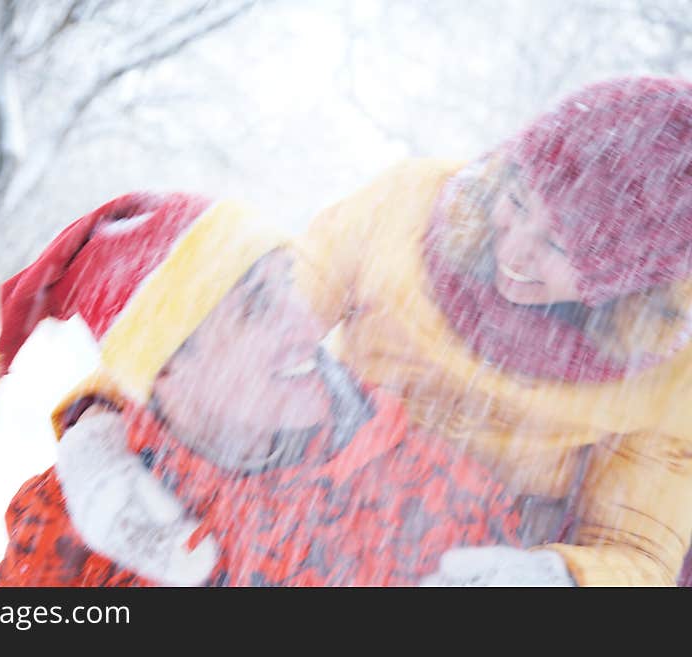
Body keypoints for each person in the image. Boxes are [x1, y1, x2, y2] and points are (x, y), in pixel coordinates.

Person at [0, 193, 527, 586]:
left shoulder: (421, 485)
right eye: (257, 307)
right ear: (165, 369)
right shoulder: (65, 524)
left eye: (289, 287)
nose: (307, 326)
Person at [289, 76, 692, 586]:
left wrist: (558, 577)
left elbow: (639, 551)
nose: (516, 251)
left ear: (630, 282)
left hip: (479, 559)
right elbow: (264, 315)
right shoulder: (404, 207)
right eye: (519, 203)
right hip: (312, 493)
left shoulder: (671, 373)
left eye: (562, 247)